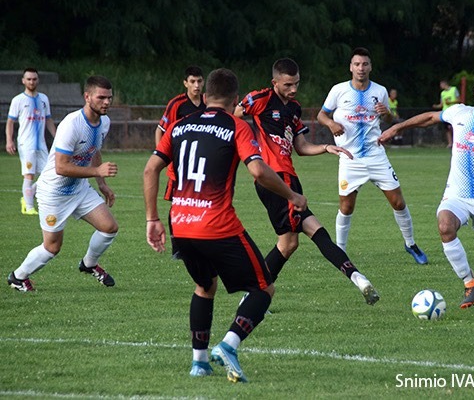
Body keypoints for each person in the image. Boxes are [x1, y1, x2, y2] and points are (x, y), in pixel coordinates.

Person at [143, 68, 307, 383]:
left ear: (205, 98)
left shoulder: (178, 125)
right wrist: (291, 195)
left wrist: (152, 219)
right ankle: (229, 344)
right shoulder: (236, 125)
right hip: (215, 224)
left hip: (181, 223)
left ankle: (199, 363)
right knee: (263, 288)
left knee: (205, 286)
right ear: (235, 100)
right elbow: (258, 171)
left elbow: (151, 170)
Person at [235, 58, 379, 305]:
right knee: (316, 231)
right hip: (274, 180)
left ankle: (253, 297)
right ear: (275, 82)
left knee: (289, 244)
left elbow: (300, 147)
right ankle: (358, 278)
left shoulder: (294, 109)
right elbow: (232, 118)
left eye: (297, 84)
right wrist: (248, 148)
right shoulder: (259, 99)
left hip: (290, 179)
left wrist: (325, 147)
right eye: (288, 84)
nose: (293, 89)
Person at [379, 70, 474, 308]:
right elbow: (430, 118)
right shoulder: (460, 112)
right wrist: (397, 128)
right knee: (445, 226)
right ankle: (470, 285)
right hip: (457, 195)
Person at [317, 47, 428, 265]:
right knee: (346, 207)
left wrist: (387, 114)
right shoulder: (339, 90)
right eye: (357, 64)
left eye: (365, 64)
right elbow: (322, 114)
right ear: (351, 67)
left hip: (376, 155)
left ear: (370, 67)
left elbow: (388, 121)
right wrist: (330, 123)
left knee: (398, 202)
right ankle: (340, 251)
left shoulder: (380, 91)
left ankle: (410, 244)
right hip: (350, 158)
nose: (361, 68)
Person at [7, 75, 118, 292]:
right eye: (101, 97)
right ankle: (18, 277)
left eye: (109, 98)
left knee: (109, 228)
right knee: (52, 247)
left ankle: (89, 264)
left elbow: (94, 150)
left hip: (79, 189)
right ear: (87, 97)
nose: (106, 102)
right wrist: (96, 171)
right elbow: (61, 167)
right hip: (54, 192)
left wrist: (102, 183)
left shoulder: (104, 122)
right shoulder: (72, 124)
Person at [154, 65, 206, 259]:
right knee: (178, 202)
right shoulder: (177, 104)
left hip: (201, 161)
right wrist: (163, 156)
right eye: (192, 81)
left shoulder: (208, 102)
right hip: (179, 161)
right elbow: (160, 129)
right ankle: (177, 246)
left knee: (201, 201)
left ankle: (199, 241)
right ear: (185, 83)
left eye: (200, 81)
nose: (196, 85)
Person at [5, 68, 57, 215]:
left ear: (38, 80)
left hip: (41, 144)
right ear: (23, 81)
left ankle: (28, 195)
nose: (31, 82)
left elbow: (48, 119)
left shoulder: (43, 99)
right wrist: (9, 140)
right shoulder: (18, 100)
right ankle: (28, 207)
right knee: (29, 174)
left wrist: (57, 137)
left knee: (49, 174)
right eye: (29, 79)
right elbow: (10, 122)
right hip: (26, 144)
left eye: (34, 79)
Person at [433, 79, 460, 148]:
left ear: (445, 84)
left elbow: (459, 100)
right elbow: (442, 104)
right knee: (447, 129)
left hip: (454, 112)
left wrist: (451, 102)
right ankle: (450, 143)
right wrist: (436, 106)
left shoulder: (454, 89)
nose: (440, 86)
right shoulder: (442, 93)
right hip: (446, 113)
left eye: (441, 84)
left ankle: (456, 143)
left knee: (454, 128)